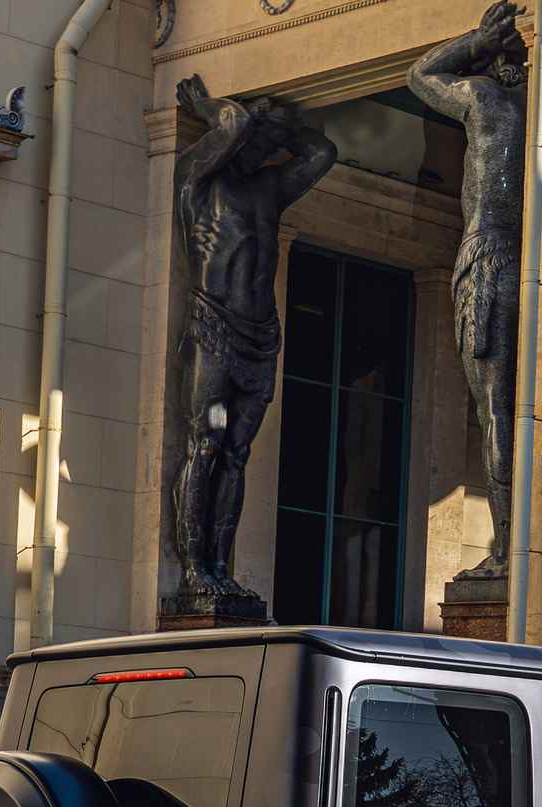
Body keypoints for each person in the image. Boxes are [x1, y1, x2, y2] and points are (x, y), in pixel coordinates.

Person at [167, 75, 334, 605]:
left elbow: (322, 152)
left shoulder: (268, 190)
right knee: (205, 443)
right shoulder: (197, 179)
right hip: (212, 324)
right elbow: (234, 122)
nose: (261, 150)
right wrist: (213, 108)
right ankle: (195, 569)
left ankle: (220, 566)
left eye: (268, 145)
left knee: (236, 454)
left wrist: (284, 127)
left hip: (261, 335)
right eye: (256, 142)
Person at [410, 3, 529, 581]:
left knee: (496, 412)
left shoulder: (486, 101)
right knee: (525, 415)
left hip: (488, 261)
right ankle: (518, 550)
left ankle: (509, 551)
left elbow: (422, 76)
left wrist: (477, 41)